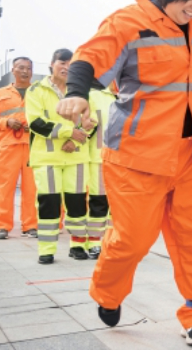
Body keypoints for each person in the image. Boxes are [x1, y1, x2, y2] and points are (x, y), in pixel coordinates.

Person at [55, 0, 192, 347]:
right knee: (132, 239)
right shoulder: (127, 21)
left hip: (191, 153)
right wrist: (77, 94)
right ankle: (108, 293)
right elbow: (88, 60)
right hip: (137, 154)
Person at [26, 49, 94, 263]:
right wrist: (68, 132)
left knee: (77, 204)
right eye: (62, 62)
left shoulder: (83, 92)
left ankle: (78, 245)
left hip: (76, 157)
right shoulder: (36, 90)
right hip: (47, 159)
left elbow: (92, 122)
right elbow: (35, 123)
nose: (66, 67)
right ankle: (46, 249)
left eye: (71, 64)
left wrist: (74, 140)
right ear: (52, 64)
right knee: (49, 203)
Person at [0, 57, 38, 239]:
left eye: (29, 68)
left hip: (33, 145)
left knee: (32, 188)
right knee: (5, 187)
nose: (25, 71)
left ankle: (30, 225)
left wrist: (35, 125)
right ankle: (2, 226)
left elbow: (47, 116)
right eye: (21, 68)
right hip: (9, 145)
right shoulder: (0, 93)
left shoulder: (38, 92)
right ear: (13, 70)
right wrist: (6, 121)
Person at [85, 87, 116, 259]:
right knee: (99, 201)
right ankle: (95, 242)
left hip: (126, 160)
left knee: (118, 205)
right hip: (100, 157)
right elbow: (86, 126)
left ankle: (112, 241)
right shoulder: (94, 96)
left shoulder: (136, 94)